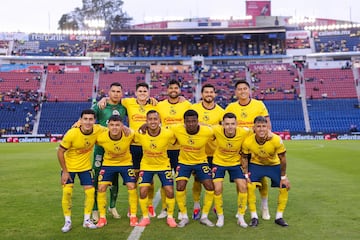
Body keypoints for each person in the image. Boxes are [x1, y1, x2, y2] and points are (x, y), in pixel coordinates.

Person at [225, 79, 272, 220]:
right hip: (239, 151)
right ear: (235, 92)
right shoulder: (231, 107)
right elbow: (223, 124)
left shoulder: (259, 105)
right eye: (239, 89)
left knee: (261, 179)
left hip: (256, 149)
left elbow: (267, 124)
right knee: (240, 179)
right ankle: (243, 205)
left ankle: (264, 206)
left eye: (245, 88)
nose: (242, 91)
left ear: (249, 90)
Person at [57, 109, 107, 233]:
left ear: (94, 120)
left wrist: (126, 129)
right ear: (80, 120)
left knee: (90, 192)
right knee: (67, 192)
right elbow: (60, 152)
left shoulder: (98, 129)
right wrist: (64, 171)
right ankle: (67, 221)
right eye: (85, 119)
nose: (88, 122)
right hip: (69, 168)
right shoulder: (72, 133)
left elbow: (113, 128)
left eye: (91, 119)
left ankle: (87, 220)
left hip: (85, 168)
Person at [241, 116, 291, 227]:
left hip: (273, 165)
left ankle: (279, 217)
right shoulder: (248, 141)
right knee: (249, 186)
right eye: (258, 126)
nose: (261, 129)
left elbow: (283, 158)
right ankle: (254, 217)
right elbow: (244, 157)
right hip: (256, 165)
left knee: (284, 187)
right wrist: (245, 174)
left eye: (264, 126)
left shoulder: (276, 139)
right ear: (254, 128)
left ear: (268, 127)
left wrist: (283, 177)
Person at [155, 79, 192, 219]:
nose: (173, 90)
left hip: (181, 149)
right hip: (164, 148)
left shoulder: (187, 105)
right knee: (166, 179)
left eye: (176, 88)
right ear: (167, 90)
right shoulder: (160, 105)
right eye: (171, 88)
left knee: (181, 180)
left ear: (180, 90)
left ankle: (182, 209)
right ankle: (165, 208)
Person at [172, 109, 215, 228]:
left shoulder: (207, 131)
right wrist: (145, 125)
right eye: (188, 121)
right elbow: (161, 128)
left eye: (193, 121)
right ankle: (184, 216)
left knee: (210, 186)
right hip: (184, 162)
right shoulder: (177, 128)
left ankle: (204, 216)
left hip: (201, 162)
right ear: (184, 122)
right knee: (180, 186)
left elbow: (221, 130)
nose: (191, 124)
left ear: (198, 121)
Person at [135, 110, 177, 228]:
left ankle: (170, 217)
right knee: (143, 190)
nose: (153, 121)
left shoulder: (168, 133)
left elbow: (176, 141)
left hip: (164, 165)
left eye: (155, 119)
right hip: (146, 165)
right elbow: (129, 136)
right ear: (146, 121)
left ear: (159, 121)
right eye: (150, 119)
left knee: (169, 190)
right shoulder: (140, 134)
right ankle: (145, 217)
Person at [91, 82, 127, 221]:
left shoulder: (124, 106)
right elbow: (87, 117)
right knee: (97, 178)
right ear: (109, 92)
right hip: (101, 148)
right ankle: (95, 208)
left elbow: (140, 108)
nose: (116, 94)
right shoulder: (101, 106)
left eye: (119, 91)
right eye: (113, 91)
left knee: (114, 177)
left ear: (122, 93)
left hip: (116, 149)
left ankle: (112, 206)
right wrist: (78, 123)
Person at [95, 115, 138, 228]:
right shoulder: (101, 137)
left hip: (126, 163)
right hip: (108, 164)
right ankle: (102, 217)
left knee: (132, 186)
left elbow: (140, 136)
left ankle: (133, 216)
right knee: (101, 187)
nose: (114, 128)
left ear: (122, 126)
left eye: (117, 125)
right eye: (112, 125)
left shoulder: (129, 134)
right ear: (108, 125)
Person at [190, 83, 224, 220]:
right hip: (198, 153)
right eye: (206, 92)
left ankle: (216, 205)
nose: (209, 94)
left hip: (215, 153)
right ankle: (197, 206)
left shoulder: (221, 112)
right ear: (202, 94)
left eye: (211, 92)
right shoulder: (194, 108)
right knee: (198, 180)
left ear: (215, 94)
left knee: (216, 181)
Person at [212, 113, 251, 228]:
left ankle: (241, 216)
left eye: (232, 124)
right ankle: (220, 216)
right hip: (219, 162)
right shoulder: (216, 129)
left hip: (235, 163)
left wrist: (269, 133)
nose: (230, 126)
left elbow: (256, 129)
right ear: (222, 124)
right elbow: (203, 125)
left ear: (236, 124)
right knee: (217, 188)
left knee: (243, 187)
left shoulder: (243, 131)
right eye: (227, 124)